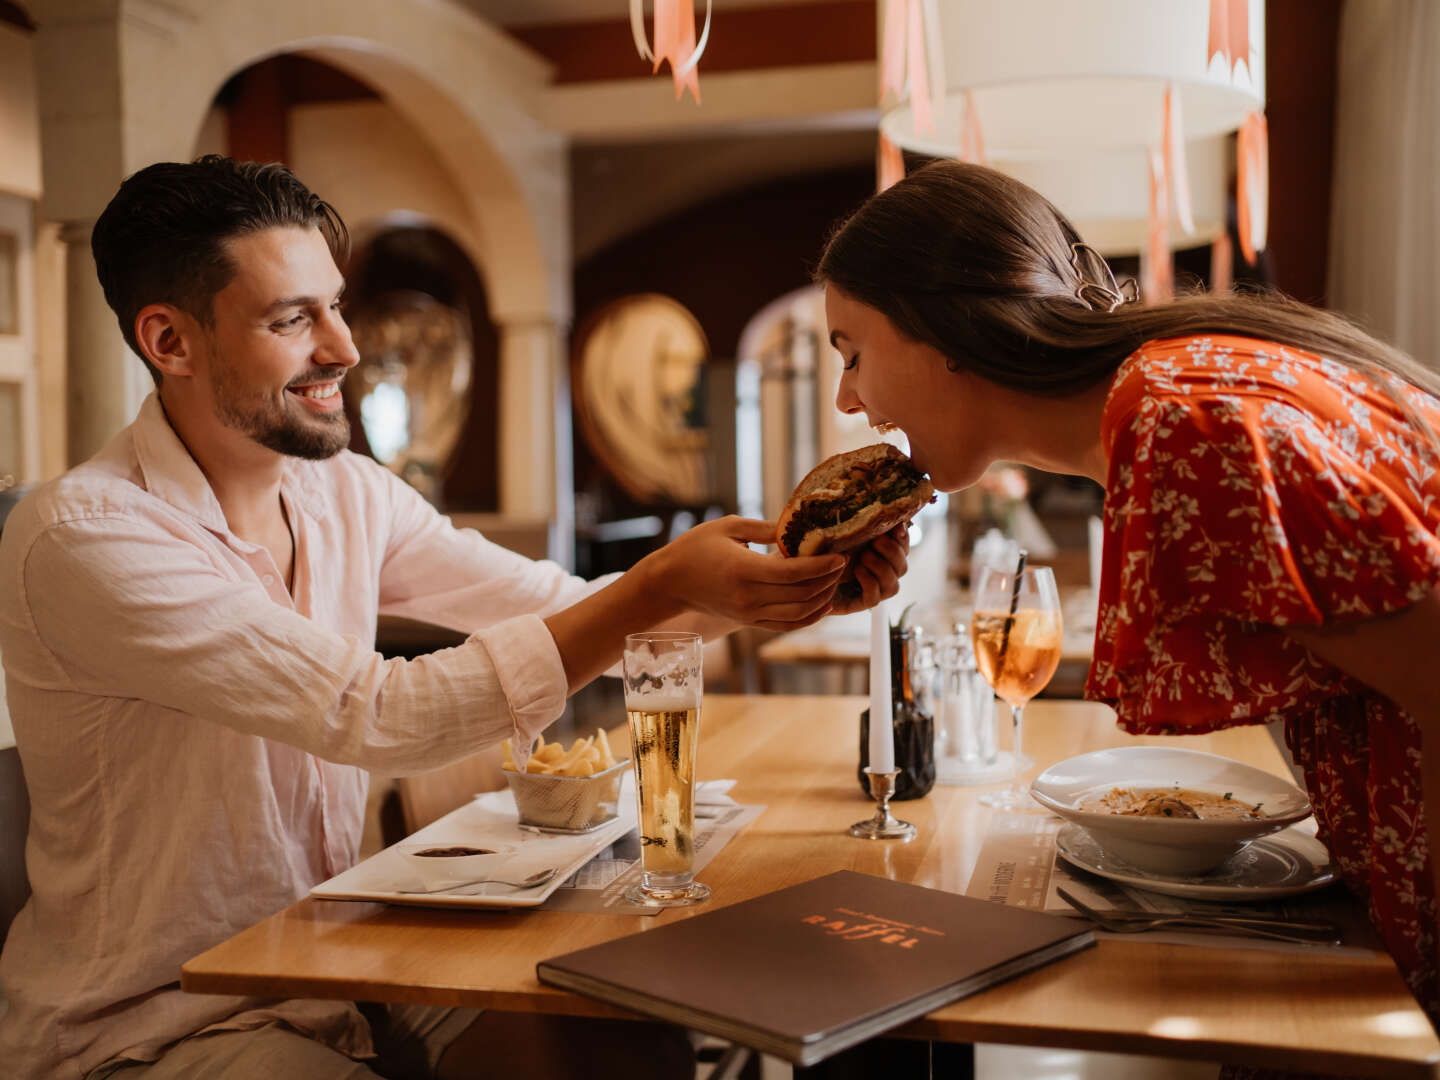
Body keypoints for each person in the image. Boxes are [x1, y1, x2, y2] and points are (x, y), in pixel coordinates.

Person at [0, 156, 910, 1080]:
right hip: (155, 1025)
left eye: (335, 305)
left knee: (631, 1027)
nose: (344, 347)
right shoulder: (87, 537)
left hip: (333, 968)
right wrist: (661, 586)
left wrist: (780, 591)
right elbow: (376, 714)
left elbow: (559, 608)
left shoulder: (345, 492)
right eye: (292, 319)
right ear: (170, 341)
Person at [814, 160, 1440, 1035]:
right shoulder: (1161, 397)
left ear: (939, 327)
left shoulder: (1177, 421)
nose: (850, 400)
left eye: (853, 353)